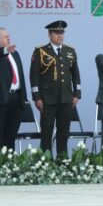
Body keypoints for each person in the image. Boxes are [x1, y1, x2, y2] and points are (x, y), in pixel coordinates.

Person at [29, 20, 81, 157]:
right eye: (57, 33)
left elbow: (76, 75)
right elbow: (34, 77)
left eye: (62, 33)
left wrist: (77, 94)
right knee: (46, 132)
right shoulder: (40, 51)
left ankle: (62, 160)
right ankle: (45, 162)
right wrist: (37, 98)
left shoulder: (70, 51)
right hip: (47, 100)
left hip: (66, 98)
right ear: (50, 35)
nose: (60, 36)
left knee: (63, 132)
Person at [0, 27, 27, 153]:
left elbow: (20, 76)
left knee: (11, 136)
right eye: (5, 36)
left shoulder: (15, 53)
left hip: (16, 99)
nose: (9, 38)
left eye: (9, 35)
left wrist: (23, 97)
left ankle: (10, 166)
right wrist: (5, 50)